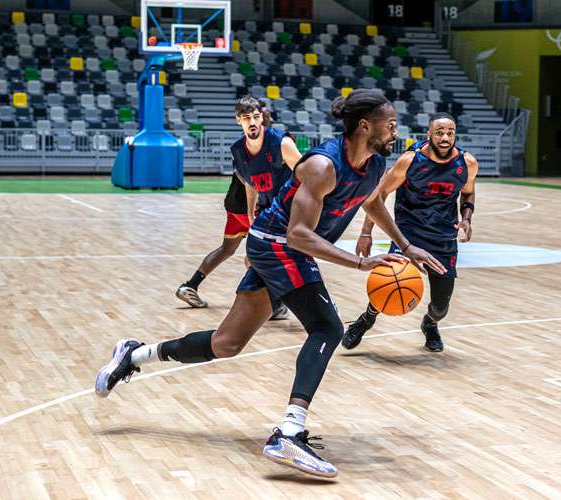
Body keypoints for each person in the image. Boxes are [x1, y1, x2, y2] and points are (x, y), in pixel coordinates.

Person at [95, 89, 445, 477]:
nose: (396, 129)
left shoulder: (376, 164)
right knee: (327, 328)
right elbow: (297, 234)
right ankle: (289, 433)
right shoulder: (322, 165)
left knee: (225, 344)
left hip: (285, 248)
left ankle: (134, 354)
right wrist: (361, 262)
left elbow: (371, 202)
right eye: (390, 123)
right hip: (278, 245)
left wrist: (406, 245)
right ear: (365, 125)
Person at [342, 113, 478, 352]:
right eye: (439, 132)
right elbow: (379, 195)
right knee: (388, 283)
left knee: (441, 307)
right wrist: (366, 233)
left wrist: (466, 218)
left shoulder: (467, 163)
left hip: (443, 239)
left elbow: (467, 192)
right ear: (429, 135)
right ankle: (367, 318)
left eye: (450, 133)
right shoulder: (410, 161)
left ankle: (430, 323)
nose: (445, 138)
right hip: (407, 236)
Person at [176, 97, 301, 321]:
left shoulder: (278, 143)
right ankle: (269, 301)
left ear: (262, 119)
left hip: (249, 206)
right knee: (261, 256)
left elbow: (302, 175)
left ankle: (192, 285)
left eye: (257, 117)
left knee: (234, 250)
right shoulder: (243, 150)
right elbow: (249, 184)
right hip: (249, 206)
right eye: (247, 118)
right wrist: (252, 212)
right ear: (240, 121)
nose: (254, 122)